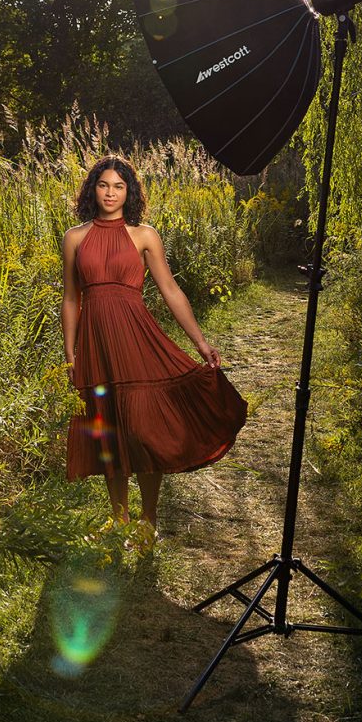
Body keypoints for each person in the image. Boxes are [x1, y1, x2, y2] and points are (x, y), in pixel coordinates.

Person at [60, 155, 247, 535]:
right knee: (108, 431)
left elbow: (170, 290)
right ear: (92, 189)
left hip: (136, 339)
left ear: (129, 192)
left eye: (118, 186)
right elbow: (70, 299)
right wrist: (70, 354)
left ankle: (148, 519)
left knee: (143, 431)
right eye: (103, 185)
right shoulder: (74, 237)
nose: (110, 193)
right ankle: (119, 519)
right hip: (95, 345)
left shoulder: (144, 235)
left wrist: (201, 343)